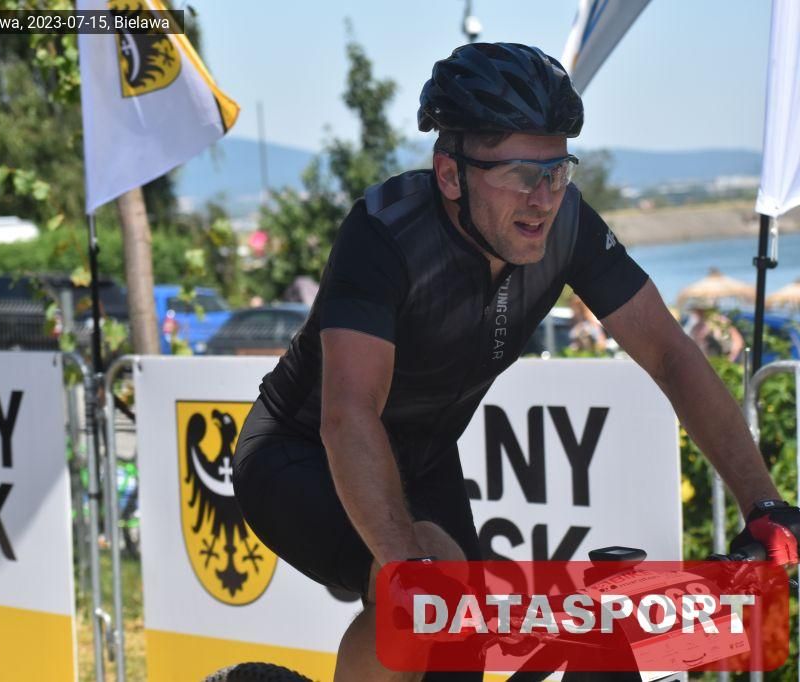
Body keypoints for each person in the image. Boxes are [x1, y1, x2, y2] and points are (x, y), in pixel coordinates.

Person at [231, 43, 799, 681]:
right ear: (451, 174)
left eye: (558, 170)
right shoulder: (386, 233)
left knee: (461, 659)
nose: (544, 198)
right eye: (522, 173)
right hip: (301, 452)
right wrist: (405, 569)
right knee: (424, 592)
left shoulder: (567, 226)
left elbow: (671, 354)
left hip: (423, 458)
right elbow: (350, 413)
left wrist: (764, 504)